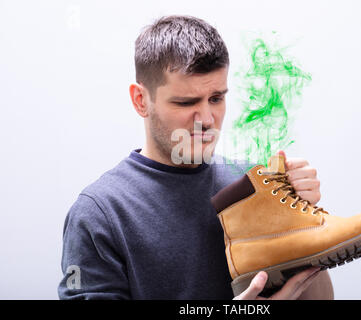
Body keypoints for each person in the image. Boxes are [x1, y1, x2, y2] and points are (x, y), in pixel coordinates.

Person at [58, 15, 333, 300]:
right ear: (141, 100)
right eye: (186, 102)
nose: (206, 119)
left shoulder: (253, 184)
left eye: (216, 99)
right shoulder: (99, 213)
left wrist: (299, 225)